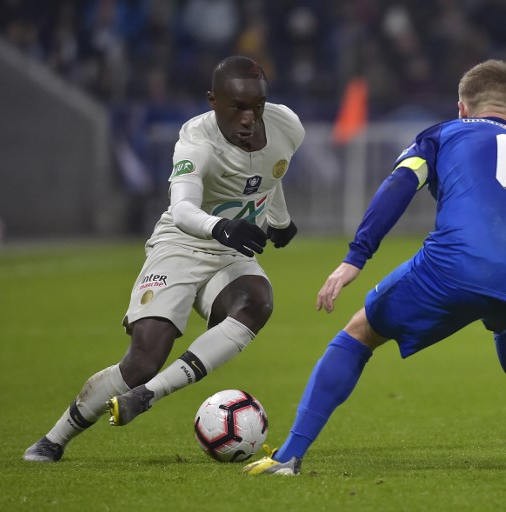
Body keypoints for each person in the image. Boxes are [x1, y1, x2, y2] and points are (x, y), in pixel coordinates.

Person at [244, 59, 506, 476]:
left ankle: (288, 456)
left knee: (359, 332)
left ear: (461, 107)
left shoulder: (444, 133)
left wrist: (356, 256)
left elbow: (400, 184)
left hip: (455, 267)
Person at [23, 55, 305, 462]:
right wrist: (222, 227)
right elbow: (184, 209)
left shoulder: (286, 127)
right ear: (212, 101)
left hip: (230, 253)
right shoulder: (196, 140)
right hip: (182, 245)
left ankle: (149, 396)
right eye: (237, 108)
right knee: (143, 359)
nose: (249, 118)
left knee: (257, 301)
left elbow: (271, 173)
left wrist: (280, 220)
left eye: (256, 107)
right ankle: (53, 439)